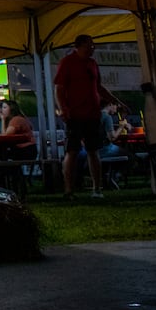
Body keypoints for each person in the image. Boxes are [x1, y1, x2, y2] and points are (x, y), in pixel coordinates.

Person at [54, 33, 118, 199]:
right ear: (79, 46)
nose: (92, 48)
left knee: (93, 150)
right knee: (73, 151)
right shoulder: (67, 62)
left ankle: (97, 188)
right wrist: (64, 109)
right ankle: (69, 190)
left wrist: (116, 101)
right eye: (89, 45)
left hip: (92, 113)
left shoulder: (92, 63)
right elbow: (59, 88)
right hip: (75, 114)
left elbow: (98, 87)